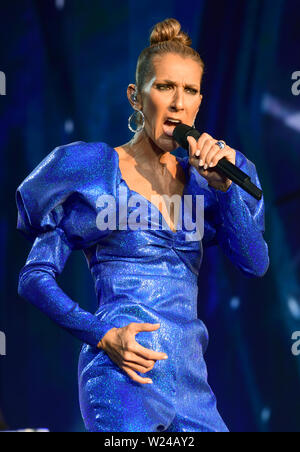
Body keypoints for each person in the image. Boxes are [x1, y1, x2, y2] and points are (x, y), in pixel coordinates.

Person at [16, 18, 269, 432]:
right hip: (123, 375)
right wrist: (102, 336)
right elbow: (33, 278)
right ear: (136, 96)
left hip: (192, 387)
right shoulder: (94, 172)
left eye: (189, 91)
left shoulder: (212, 180)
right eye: (165, 87)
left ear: (200, 102)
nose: (177, 103)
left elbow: (255, 263)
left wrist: (224, 188)